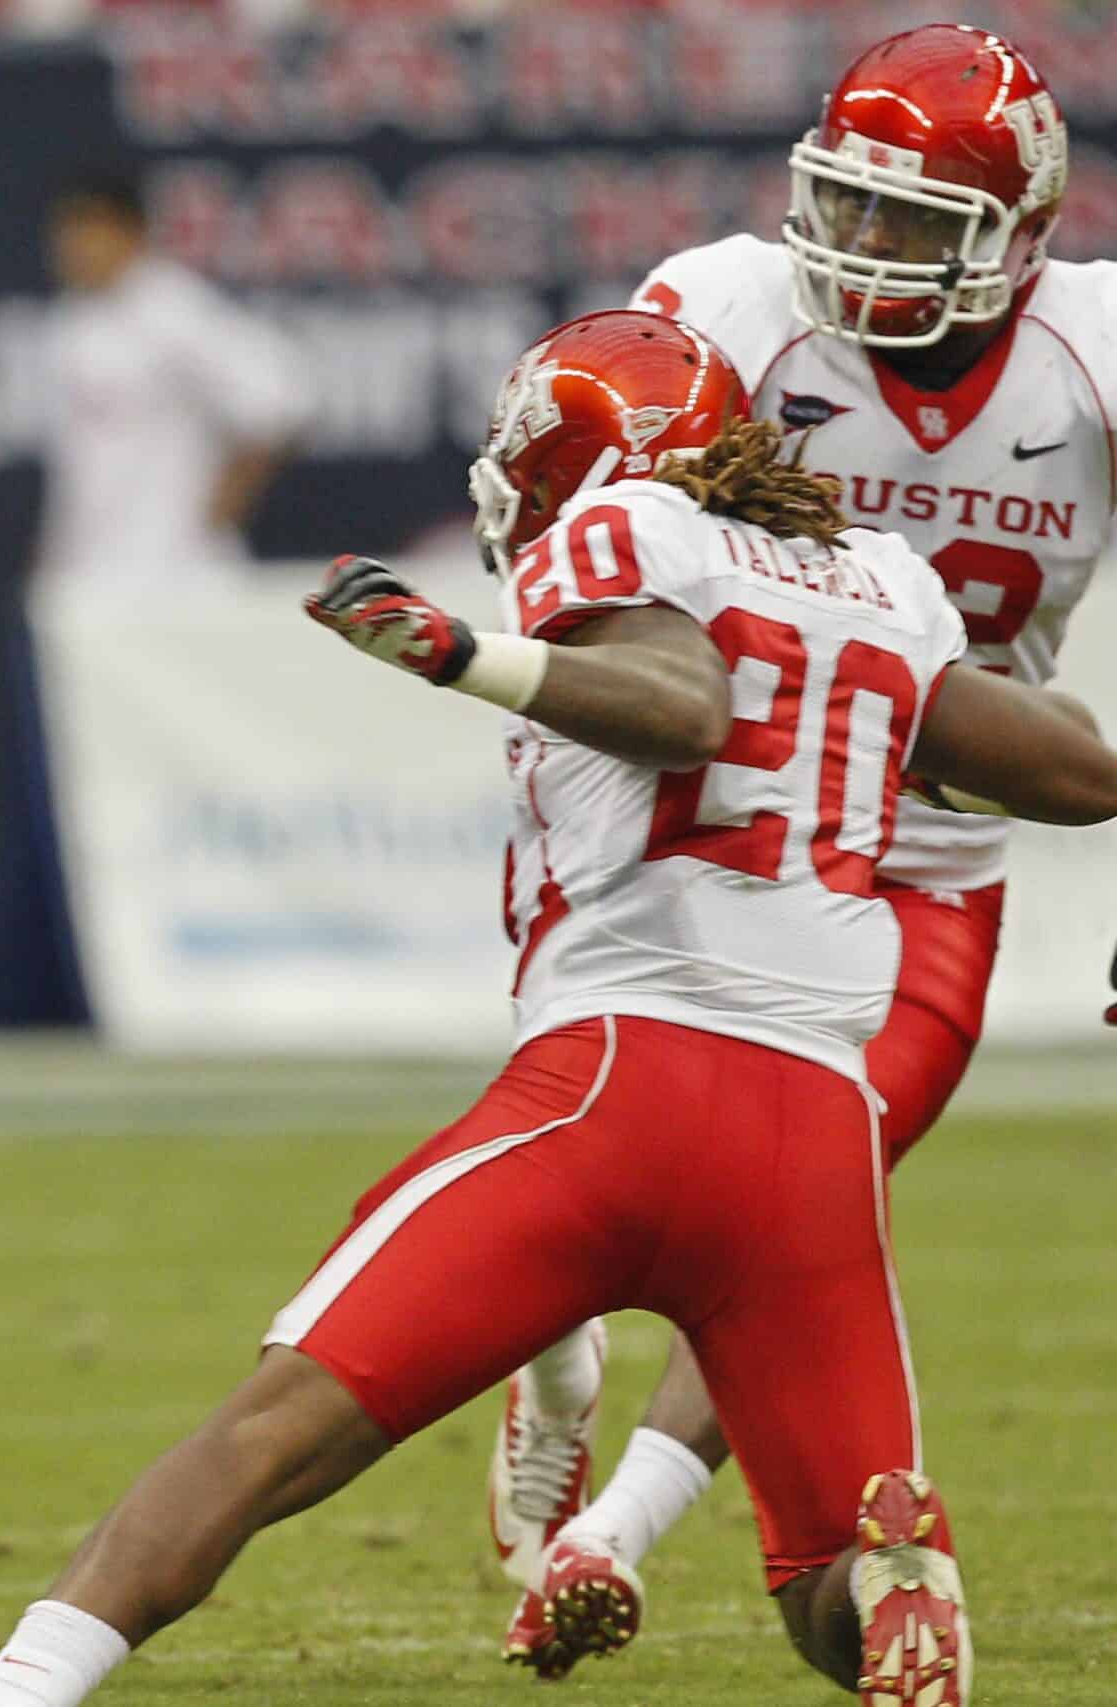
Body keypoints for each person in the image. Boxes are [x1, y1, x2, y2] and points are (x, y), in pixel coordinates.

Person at [0, 309, 1117, 1707]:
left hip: (619, 1089)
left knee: (261, 1438)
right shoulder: (870, 573)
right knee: (824, 1568)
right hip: (814, 1130)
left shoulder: (625, 525)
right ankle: (887, 1584)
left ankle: (12, 1694)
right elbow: (1067, 763)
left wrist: (464, 653)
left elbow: (682, 705)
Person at [485, 27, 1117, 1676]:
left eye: (921, 224)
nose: (872, 251)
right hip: (717, 820)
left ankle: (604, 1533)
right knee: (580, 1161)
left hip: (929, 859)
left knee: (808, 1205)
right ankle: (550, 1369)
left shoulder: (1094, 350)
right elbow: (584, 483)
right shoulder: (734, 304)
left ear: (1024, 230)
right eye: (854, 207)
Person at [31, 174, 305, 586]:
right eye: (67, 231)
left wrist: (215, 516)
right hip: (89, 571)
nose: (76, 246)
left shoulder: (171, 309)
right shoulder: (74, 320)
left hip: (174, 574)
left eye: (91, 229)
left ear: (133, 232)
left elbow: (282, 399)